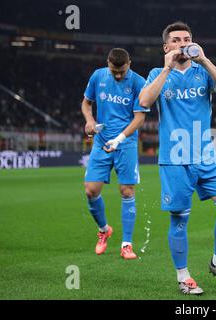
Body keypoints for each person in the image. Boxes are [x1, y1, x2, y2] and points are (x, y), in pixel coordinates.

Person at [139, 21, 216, 295]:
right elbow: (145, 101)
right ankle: (183, 276)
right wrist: (167, 67)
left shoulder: (202, 71)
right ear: (166, 46)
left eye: (186, 39)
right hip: (175, 158)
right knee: (179, 220)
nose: (182, 43)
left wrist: (205, 60)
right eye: (176, 40)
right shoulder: (158, 73)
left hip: (207, 155)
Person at [81, 48, 148, 260]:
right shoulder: (98, 75)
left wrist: (119, 138)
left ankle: (126, 244)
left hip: (126, 142)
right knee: (91, 190)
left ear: (129, 62)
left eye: (122, 71)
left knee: (127, 191)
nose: (118, 75)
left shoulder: (139, 82)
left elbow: (139, 118)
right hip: (101, 141)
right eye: (114, 71)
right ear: (108, 63)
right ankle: (104, 230)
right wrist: (90, 121)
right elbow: (86, 103)